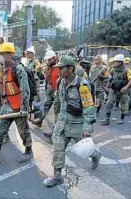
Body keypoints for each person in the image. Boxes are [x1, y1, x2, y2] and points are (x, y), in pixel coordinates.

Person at [43, 56, 101, 187]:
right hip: (62, 124)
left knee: (84, 149)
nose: (59, 70)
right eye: (58, 68)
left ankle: (95, 154)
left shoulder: (82, 85)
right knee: (57, 148)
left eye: (62, 68)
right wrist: (56, 116)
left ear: (70, 68)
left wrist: (87, 128)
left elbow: (89, 107)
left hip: (77, 125)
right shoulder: (59, 82)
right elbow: (57, 100)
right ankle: (57, 176)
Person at [0, 43, 33, 165]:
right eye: (0, 54)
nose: (1, 57)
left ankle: (29, 151)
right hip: (6, 105)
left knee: (23, 131)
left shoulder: (18, 69)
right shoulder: (2, 69)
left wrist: (24, 108)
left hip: (19, 106)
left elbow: (25, 90)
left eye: (3, 54)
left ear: (10, 54)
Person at [101, 54, 131, 125]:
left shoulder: (127, 70)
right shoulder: (113, 69)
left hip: (123, 90)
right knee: (109, 103)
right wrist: (108, 84)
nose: (114, 63)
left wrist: (126, 87)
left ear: (120, 62)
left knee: (123, 105)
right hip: (114, 89)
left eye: (115, 62)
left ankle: (122, 118)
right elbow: (110, 77)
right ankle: (107, 119)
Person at [31, 50, 59, 128]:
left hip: (58, 91)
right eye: (47, 59)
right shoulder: (47, 68)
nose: (48, 61)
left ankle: (56, 129)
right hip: (50, 89)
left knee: (57, 110)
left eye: (50, 59)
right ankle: (39, 120)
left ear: (54, 58)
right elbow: (44, 78)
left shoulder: (59, 67)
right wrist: (39, 72)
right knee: (45, 106)